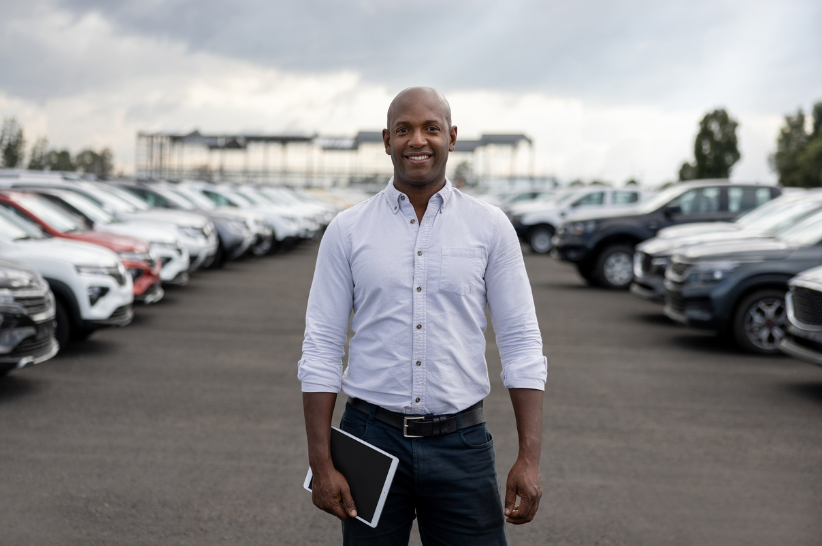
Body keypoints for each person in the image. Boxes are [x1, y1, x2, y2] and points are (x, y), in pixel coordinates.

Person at [299, 87, 547, 545]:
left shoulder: (490, 228)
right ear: (386, 140)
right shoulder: (347, 231)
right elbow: (322, 347)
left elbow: (522, 343)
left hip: (461, 443)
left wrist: (529, 458)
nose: (418, 140)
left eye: (431, 128)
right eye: (404, 129)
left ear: (451, 137)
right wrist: (321, 460)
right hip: (369, 440)